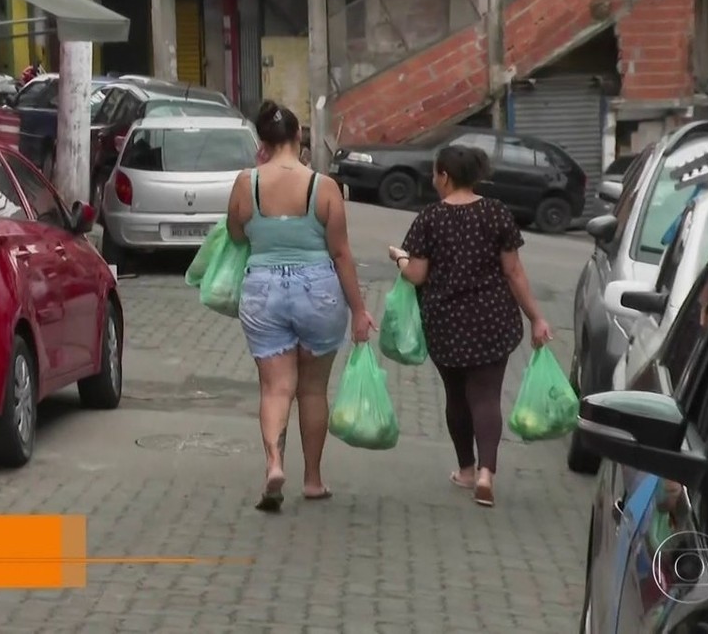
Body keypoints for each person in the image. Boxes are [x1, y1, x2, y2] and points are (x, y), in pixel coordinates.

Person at [226, 100, 376, 513]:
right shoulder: (322, 187)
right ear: (298, 138)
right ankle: (312, 479)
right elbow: (342, 254)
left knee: (276, 387)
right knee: (312, 389)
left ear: (263, 142)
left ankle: (274, 464)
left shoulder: (246, 182)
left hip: (263, 290)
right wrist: (359, 310)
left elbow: (236, 235)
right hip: (319, 291)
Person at [388, 145, 552, 508]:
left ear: (444, 175)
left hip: (445, 321)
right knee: (486, 396)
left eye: (435, 173)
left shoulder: (429, 218)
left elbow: (416, 274)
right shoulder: (497, 213)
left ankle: (465, 469)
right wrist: (536, 317)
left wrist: (399, 257)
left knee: (457, 396)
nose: (433, 180)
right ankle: (486, 473)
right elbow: (514, 271)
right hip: (493, 319)